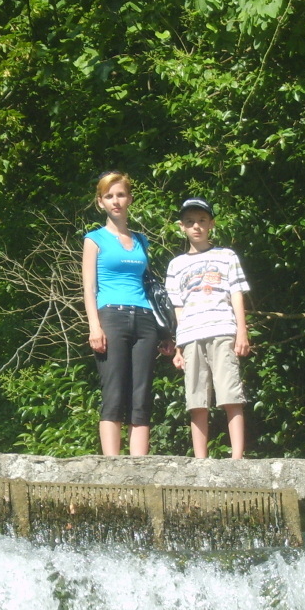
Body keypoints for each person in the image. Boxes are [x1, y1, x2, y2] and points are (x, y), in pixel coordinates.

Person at [166, 198, 251, 459]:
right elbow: (177, 307)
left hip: (223, 329)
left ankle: (237, 457)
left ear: (211, 224)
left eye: (202, 221)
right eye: (190, 221)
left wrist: (242, 332)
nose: (197, 226)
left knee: (230, 395)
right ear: (182, 226)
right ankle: (200, 460)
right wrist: (178, 346)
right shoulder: (176, 265)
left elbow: (236, 293)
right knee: (196, 400)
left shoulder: (226, 256)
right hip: (190, 335)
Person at [82, 171, 160, 456]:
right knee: (114, 390)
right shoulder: (95, 239)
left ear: (129, 199)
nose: (116, 201)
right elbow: (89, 287)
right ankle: (112, 466)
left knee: (141, 393)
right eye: (109, 196)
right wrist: (94, 326)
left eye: (120, 195)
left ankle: (139, 466)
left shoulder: (142, 240)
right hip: (111, 317)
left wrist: (164, 330)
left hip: (145, 318)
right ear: (100, 202)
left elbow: (148, 285)